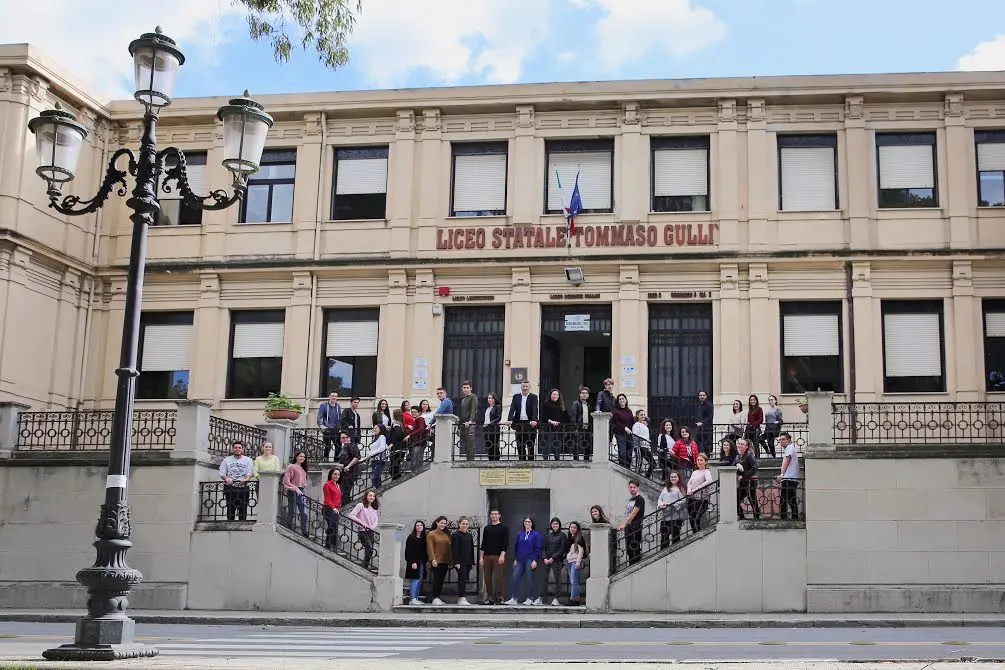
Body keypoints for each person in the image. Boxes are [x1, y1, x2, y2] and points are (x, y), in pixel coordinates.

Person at [505, 517, 542, 606]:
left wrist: (535, 560)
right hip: (520, 559)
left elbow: (538, 548)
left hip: (530, 559)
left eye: (529, 521)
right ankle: (514, 598)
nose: (527, 523)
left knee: (530, 579)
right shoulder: (520, 534)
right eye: (526, 521)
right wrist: (516, 559)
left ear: (532, 523)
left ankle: (530, 598)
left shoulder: (535, 534)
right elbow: (516, 547)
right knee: (515, 577)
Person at [219, 440, 254, 521]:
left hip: (243, 487)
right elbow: (222, 472)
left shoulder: (248, 460)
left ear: (242, 449)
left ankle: (242, 525)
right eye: (235, 448)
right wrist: (226, 478)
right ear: (232, 449)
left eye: (239, 448)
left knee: (243, 508)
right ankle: (230, 525)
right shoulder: (226, 460)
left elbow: (250, 472)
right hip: (230, 487)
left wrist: (246, 479)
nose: (237, 449)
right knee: (230, 508)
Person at [479, 509, 509, 605]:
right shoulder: (487, 528)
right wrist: (481, 557)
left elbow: (505, 543)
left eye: (496, 514)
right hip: (487, 556)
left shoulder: (504, 528)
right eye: (492, 514)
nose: (494, 515)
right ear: (490, 516)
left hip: (498, 556)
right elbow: (483, 544)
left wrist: (502, 555)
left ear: (499, 515)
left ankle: (500, 597)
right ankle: (490, 597)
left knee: (498, 577)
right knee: (487, 578)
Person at [507, 380, 539, 461]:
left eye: (526, 386)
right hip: (519, 424)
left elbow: (535, 409)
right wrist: (510, 419)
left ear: (529, 387)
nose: (525, 388)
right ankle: (522, 462)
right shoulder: (516, 397)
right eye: (523, 386)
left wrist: (534, 420)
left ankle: (531, 463)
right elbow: (512, 409)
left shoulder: (534, 397)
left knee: (530, 445)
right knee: (520, 445)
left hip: (530, 424)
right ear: (520, 387)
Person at [348, 489, 380, 568]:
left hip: (371, 531)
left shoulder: (374, 508)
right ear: (366, 496)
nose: (372, 497)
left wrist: (371, 527)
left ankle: (365, 565)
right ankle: (364, 565)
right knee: (369, 548)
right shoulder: (360, 505)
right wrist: (362, 523)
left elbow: (376, 520)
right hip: (362, 531)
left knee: (369, 550)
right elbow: (351, 515)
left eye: (373, 496)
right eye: (370, 495)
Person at [282, 451, 310, 536]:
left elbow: (304, 484)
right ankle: (289, 528)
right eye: (300, 456)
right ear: (296, 457)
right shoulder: (291, 466)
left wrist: (304, 493)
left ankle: (304, 531)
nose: (302, 458)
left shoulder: (303, 469)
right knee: (292, 510)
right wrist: (295, 488)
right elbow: (286, 481)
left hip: (301, 491)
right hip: (292, 491)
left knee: (303, 513)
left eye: (304, 457)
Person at [425, 515, 451, 606]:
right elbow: (430, 547)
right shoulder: (431, 534)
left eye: (445, 523)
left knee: (441, 580)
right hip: (436, 561)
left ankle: (438, 597)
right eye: (441, 523)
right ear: (437, 523)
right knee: (437, 579)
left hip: (445, 561)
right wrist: (432, 559)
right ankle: (435, 598)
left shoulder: (446, 534)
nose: (443, 525)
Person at [542, 517, 568, 606]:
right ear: (551, 525)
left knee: (557, 580)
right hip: (546, 560)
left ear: (559, 525)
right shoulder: (548, 535)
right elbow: (543, 548)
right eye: (553, 523)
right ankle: (541, 598)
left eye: (557, 524)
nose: (555, 525)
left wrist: (553, 558)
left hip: (556, 560)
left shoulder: (562, 535)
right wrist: (544, 558)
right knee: (544, 578)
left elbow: (562, 549)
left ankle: (556, 598)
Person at [658, 471, 687, 549]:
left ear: (678, 478)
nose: (673, 478)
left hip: (676, 517)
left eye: (675, 477)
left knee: (675, 537)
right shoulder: (665, 488)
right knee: (664, 538)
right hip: (665, 517)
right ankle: (663, 554)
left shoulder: (681, 488)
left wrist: (673, 505)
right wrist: (661, 505)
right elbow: (660, 499)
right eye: (671, 477)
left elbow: (684, 500)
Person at [618, 480, 645, 566]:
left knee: (635, 548)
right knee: (629, 549)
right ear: (628, 488)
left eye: (634, 487)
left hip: (636, 527)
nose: (632, 489)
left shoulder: (640, 499)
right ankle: (631, 566)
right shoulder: (631, 500)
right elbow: (628, 513)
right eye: (631, 487)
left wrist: (624, 524)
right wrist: (625, 524)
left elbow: (634, 513)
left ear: (638, 488)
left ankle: (635, 566)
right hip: (629, 527)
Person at [775, 431, 801, 520]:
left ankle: (784, 519)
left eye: (783, 439)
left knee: (783, 500)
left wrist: (782, 475)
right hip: (790, 478)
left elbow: (787, 460)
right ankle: (795, 517)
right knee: (791, 500)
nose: (781, 441)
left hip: (789, 478)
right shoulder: (789, 448)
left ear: (789, 440)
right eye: (780, 440)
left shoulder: (790, 448)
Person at [451, 516, 476, 605]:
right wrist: (456, 562)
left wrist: (472, 562)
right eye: (463, 524)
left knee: (465, 579)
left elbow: (471, 549)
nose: (465, 525)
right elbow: (454, 550)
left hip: (468, 562)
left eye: (466, 524)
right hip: (460, 562)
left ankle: (462, 598)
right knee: (462, 579)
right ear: (459, 524)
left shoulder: (469, 535)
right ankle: (461, 598)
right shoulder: (455, 535)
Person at [687, 453, 714, 532]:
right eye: (698, 460)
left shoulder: (707, 471)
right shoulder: (694, 472)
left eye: (701, 460)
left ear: (705, 462)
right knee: (691, 518)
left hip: (701, 498)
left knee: (696, 518)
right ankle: (694, 533)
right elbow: (689, 483)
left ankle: (697, 533)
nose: (699, 462)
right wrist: (689, 489)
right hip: (692, 498)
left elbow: (709, 481)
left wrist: (697, 489)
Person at [540, 389, 569, 461]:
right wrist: (551, 421)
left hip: (559, 429)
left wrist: (565, 426)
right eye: (554, 394)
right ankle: (545, 460)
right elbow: (543, 416)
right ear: (550, 395)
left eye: (557, 395)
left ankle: (557, 460)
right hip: (548, 428)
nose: (555, 396)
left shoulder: (561, 405)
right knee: (547, 445)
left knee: (557, 446)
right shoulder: (546, 404)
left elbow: (565, 417)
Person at [736, 438, 760, 520]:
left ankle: (756, 517)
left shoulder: (749, 455)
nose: (740, 445)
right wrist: (737, 464)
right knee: (736, 499)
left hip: (750, 481)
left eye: (742, 444)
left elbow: (755, 467)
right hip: (742, 482)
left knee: (752, 499)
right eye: (739, 443)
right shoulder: (738, 456)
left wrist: (744, 476)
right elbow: (733, 465)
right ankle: (741, 517)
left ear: (746, 446)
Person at [404, 520, 427, 605]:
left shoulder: (424, 537)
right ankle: (412, 598)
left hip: (422, 562)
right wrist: (412, 562)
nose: (419, 527)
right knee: (415, 580)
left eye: (421, 525)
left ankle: (416, 598)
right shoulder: (411, 537)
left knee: (420, 580)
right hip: (413, 563)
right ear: (415, 527)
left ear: (423, 527)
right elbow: (408, 551)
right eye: (417, 525)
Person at [565, 521, 588, 606]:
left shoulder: (579, 538)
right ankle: (577, 599)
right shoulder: (570, 538)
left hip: (575, 562)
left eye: (574, 527)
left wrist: (578, 562)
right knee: (574, 581)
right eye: (571, 527)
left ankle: (572, 599)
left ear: (577, 529)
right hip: (570, 562)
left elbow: (581, 552)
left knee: (573, 581)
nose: (572, 529)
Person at [316, 393, 343, 461]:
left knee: (338, 446)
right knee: (328, 446)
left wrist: (340, 427)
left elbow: (339, 418)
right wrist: (321, 425)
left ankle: (336, 461)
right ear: (329, 397)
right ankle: (325, 460)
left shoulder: (338, 406)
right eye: (332, 396)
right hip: (327, 428)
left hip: (336, 429)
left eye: (336, 396)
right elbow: (320, 416)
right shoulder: (324, 405)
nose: (334, 397)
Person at [570, 386, 592, 461]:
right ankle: (576, 460)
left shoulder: (589, 405)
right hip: (578, 428)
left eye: (586, 393)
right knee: (576, 445)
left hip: (587, 429)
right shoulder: (576, 404)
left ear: (588, 395)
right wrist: (575, 428)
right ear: (580, 394)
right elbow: (573, 417)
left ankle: (586, 460)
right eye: (582, 393)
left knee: (587, 446)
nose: (584, 394)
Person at [322, 468, 342, 550]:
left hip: (335, 510)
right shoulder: (327, 485)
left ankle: (328, 545)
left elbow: (338, 498)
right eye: (335, 474)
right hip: (328, 509)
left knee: (333, 527)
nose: (337, 476)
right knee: (333, 527)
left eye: (338, 474)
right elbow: (327, 499)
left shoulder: (338, 485)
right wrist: (333, 508)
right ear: (331, 475)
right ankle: (333, 547)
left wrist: (338, 508)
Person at [611, 394, 634, 468]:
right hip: (620, 434)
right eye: (619, 399)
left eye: (623, 399)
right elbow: (615, 422)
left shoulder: (629, 411)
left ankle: (628, 468)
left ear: (626, 400)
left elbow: (632, 421)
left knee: (629, 452)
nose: (621, 400)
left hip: (629, 435)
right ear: (618, 401)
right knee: (622, 452)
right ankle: (622, 468)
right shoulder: (615, 411)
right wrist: (624, 428)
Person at [631, 409, 655, 478]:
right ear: (637, 416)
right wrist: (642, 441)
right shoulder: (636, 425)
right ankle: (636, 479)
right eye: (641, 415)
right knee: (638, 465)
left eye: (644, 415)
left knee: (653, 464)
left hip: (646, 447)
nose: (643, 416)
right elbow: (635, 436)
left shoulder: (645, 425)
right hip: (639, 447)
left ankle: (647, 477)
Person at [459, 381, 480, 461]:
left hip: (470, 423)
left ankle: (471, 461)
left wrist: (471, 421)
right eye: (464, 388)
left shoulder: (473, 397)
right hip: (464, 423)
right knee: (465, 443)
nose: (465, 389)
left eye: (467, 387)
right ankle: (468, 460)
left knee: (470, 443)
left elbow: (473, 409)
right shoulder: (463, 399)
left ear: (471, 388)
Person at [338, 431, 361, 500]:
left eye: (346, 437)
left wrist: (348, 466)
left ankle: (346, 508)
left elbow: (356, 457)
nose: (344, 439)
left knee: (345, 492)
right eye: (342, 438)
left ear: (349, 438)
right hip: (344, 473)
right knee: (343, 492)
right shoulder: (344, 447)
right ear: (340, 439)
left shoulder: (352, 445)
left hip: (350, 472)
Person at [407, 405, 430, 471]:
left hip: (418, 443)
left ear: (419, 413)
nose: (413, 413)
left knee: (416, 461)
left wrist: (410, 435)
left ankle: (415, 475)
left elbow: (421, 429)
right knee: (416, 461)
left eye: (415, 412)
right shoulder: (417, 420)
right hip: (417, 443)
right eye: (412, 412)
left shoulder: (420, 419)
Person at [482, 393, 503, 461]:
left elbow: (498, 417)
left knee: (494, 444)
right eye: (489, 398)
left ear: (495, 399)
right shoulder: (488, 408)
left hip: (493, 428)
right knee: (488, 444)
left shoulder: (497, 407)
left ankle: (496, 459)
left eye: (491, 398)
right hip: (486, 428)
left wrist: (490, 423)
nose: (490, 399)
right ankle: (490, 458)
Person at [368, 424, 389, 489]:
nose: (374, 429)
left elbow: (382, 448)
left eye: (376, 428)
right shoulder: (375, 437)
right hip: (374, 459)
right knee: (376, 477)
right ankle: (379, 489)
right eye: (374, 428)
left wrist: (372, 454)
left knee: (375, 477)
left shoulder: (382, 436)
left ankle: (379, 490)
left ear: (380, 429)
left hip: (379, 459)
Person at [695, 390, 714, 455]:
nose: (702, 397)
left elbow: (710, 416)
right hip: (700, 428)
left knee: (706, 443)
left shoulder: (709, 405)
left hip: (707, 428)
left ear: (706, 396)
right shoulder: (700, 405)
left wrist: (702, 422)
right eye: (700, 395)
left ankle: (706, 457)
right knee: (697, 441)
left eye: (703, 395)